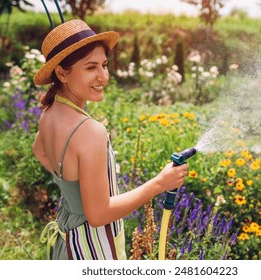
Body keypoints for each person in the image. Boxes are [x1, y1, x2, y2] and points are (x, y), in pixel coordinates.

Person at [32, 19, 188, 260]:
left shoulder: (49, 112)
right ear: (62, 72)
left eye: (104, 65)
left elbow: (39, 151)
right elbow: (98, 215)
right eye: (90, 67)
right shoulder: (90, 131)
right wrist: (160, 183)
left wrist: (73, 191)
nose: (103, 76)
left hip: (67, 237)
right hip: (90, 247)